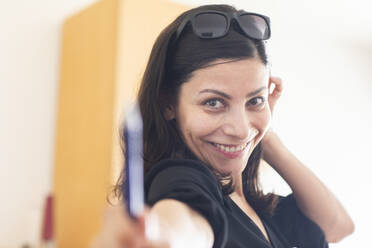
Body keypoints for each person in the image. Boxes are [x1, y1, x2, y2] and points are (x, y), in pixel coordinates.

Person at [91, 4, 354, 248]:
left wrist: (265, 134)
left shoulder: (260, 208)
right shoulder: (181, 179)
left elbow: (337, 226)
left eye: (255, 100)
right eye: (214, 102)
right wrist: (159, 235)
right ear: (168, 104)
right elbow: (185, 226)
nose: (240, 128)